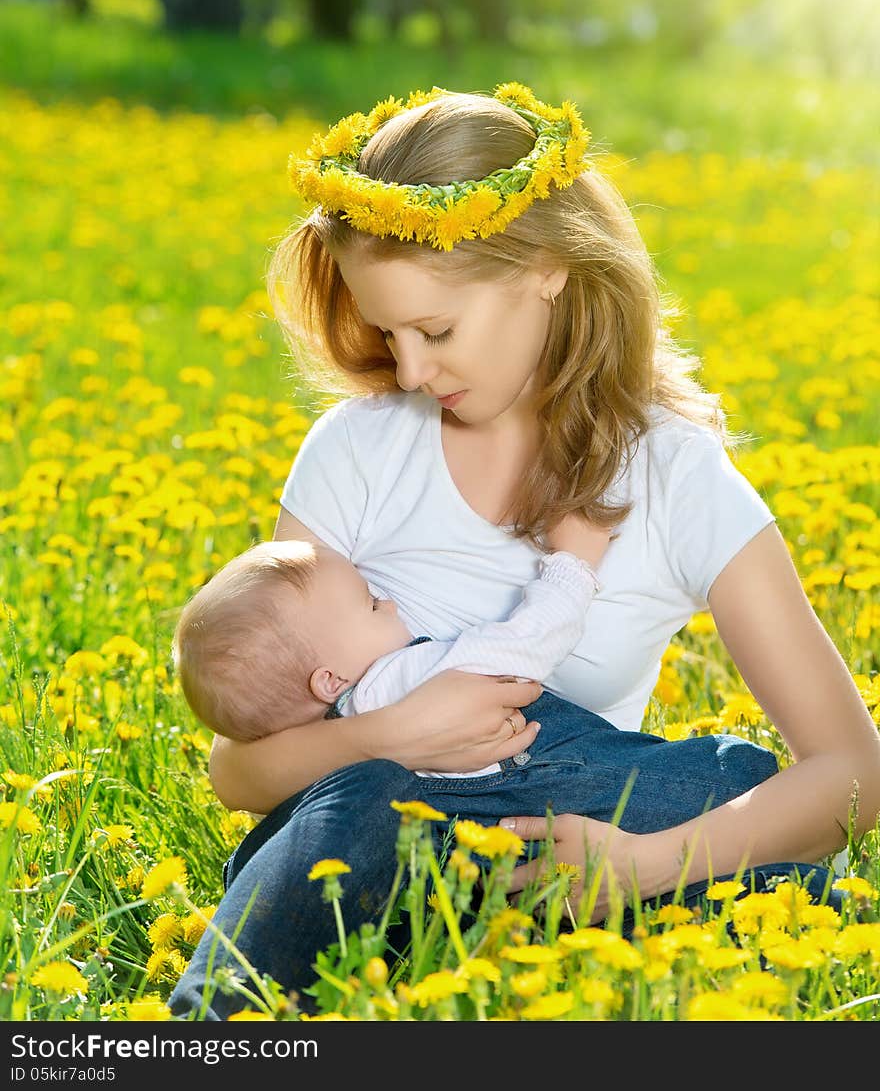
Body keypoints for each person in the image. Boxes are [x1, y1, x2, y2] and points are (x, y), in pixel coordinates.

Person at [168, 82, 880, 1020]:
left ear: (546, 267)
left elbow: (852, 776)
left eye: (437, 330)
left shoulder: (673, 478)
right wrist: (391, 735)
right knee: (363, 802)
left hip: (569, 862)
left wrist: (639, 865)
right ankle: (210, 1031)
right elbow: (240, 768)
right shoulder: (360, 448)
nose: (412, 370)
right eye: (390, 333)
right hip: (373, 855)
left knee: (728, 791)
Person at [171, 531, 778, 811]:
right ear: (329, 680)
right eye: (371, 603)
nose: (391, 601)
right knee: (696, 778)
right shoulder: (400, 681)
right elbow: (525, 643)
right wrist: (574, 566)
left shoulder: (327, 741)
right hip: (549, 777)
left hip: (479, 821)